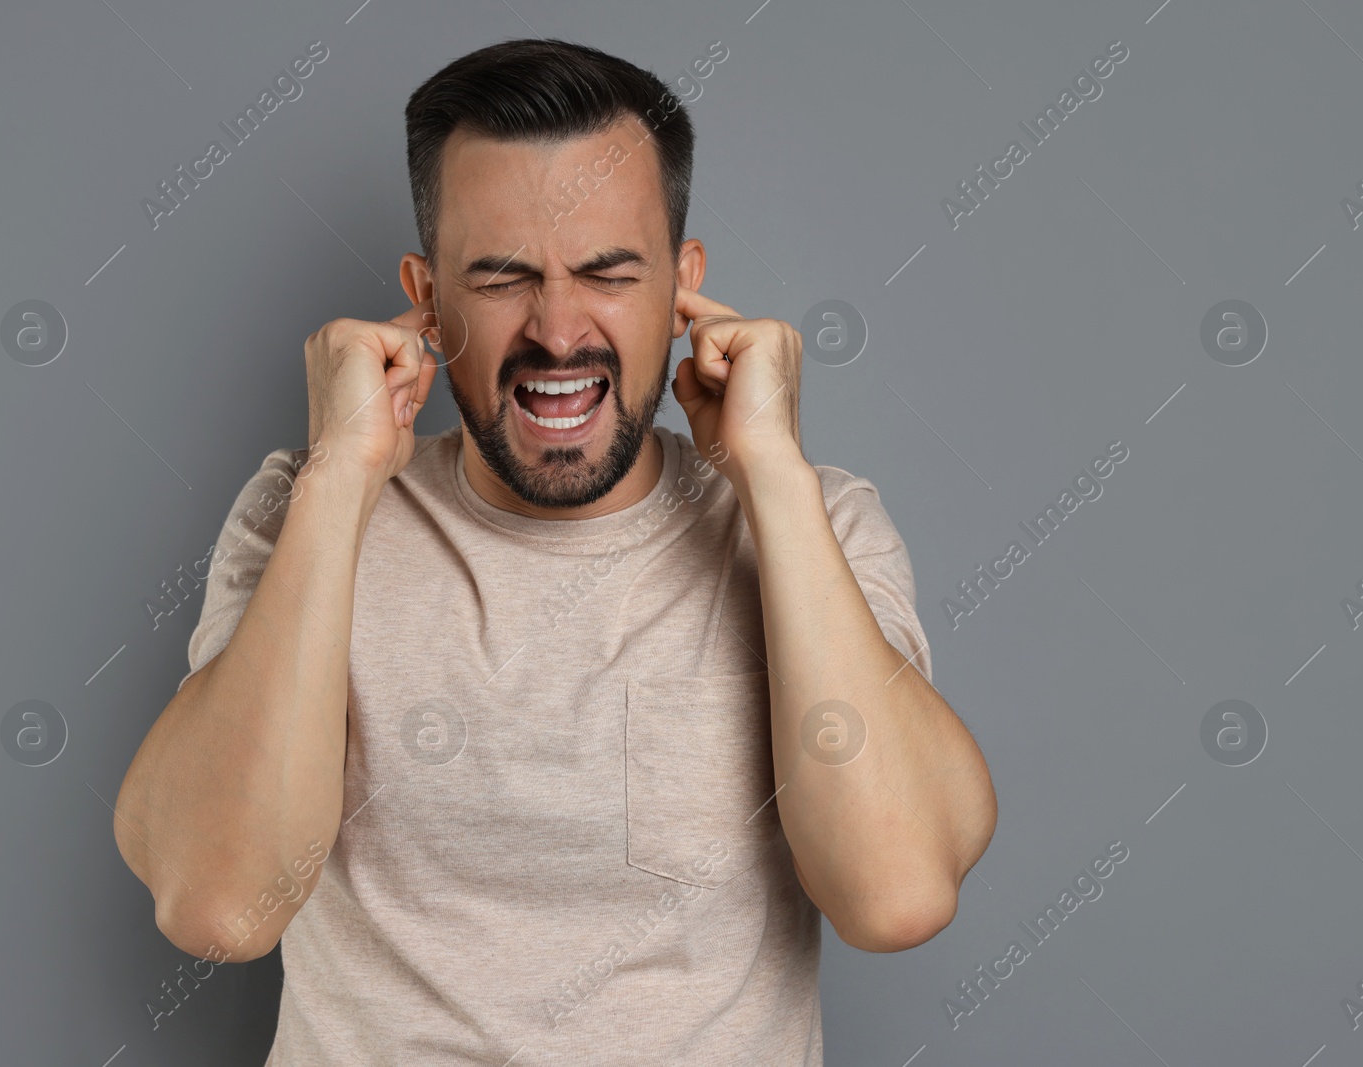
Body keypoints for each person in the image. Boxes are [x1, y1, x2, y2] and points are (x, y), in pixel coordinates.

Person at [114, 36, 996, 1066]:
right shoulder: (302, 513)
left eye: (608, 273)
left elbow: (895, 893)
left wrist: (770, 471)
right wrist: (339, 476)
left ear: (683, 289)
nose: (558, 328)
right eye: (500, 277)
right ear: (427, 299)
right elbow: (219, 904)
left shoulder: (816, 523)